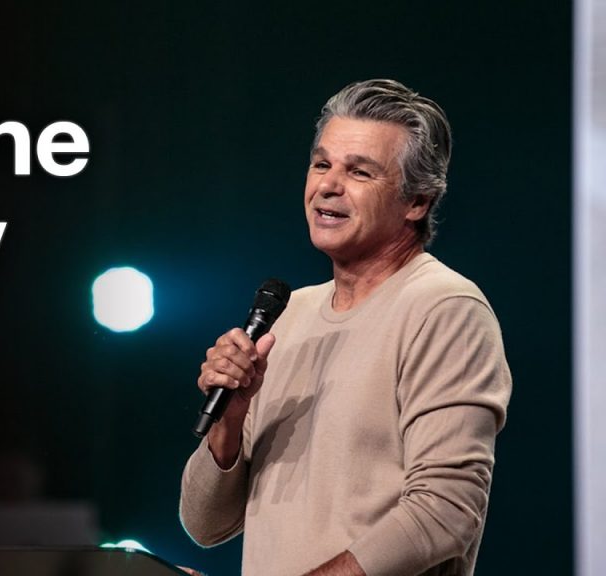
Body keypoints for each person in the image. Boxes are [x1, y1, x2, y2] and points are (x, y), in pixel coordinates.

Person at [179, 79, 512, 576]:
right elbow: (204, 525)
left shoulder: (445, 309)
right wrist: (230, 420)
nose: (328, 186)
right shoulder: (289, 315)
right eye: (321, 164)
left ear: (417, 200)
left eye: (359, 171)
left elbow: (445, 512)